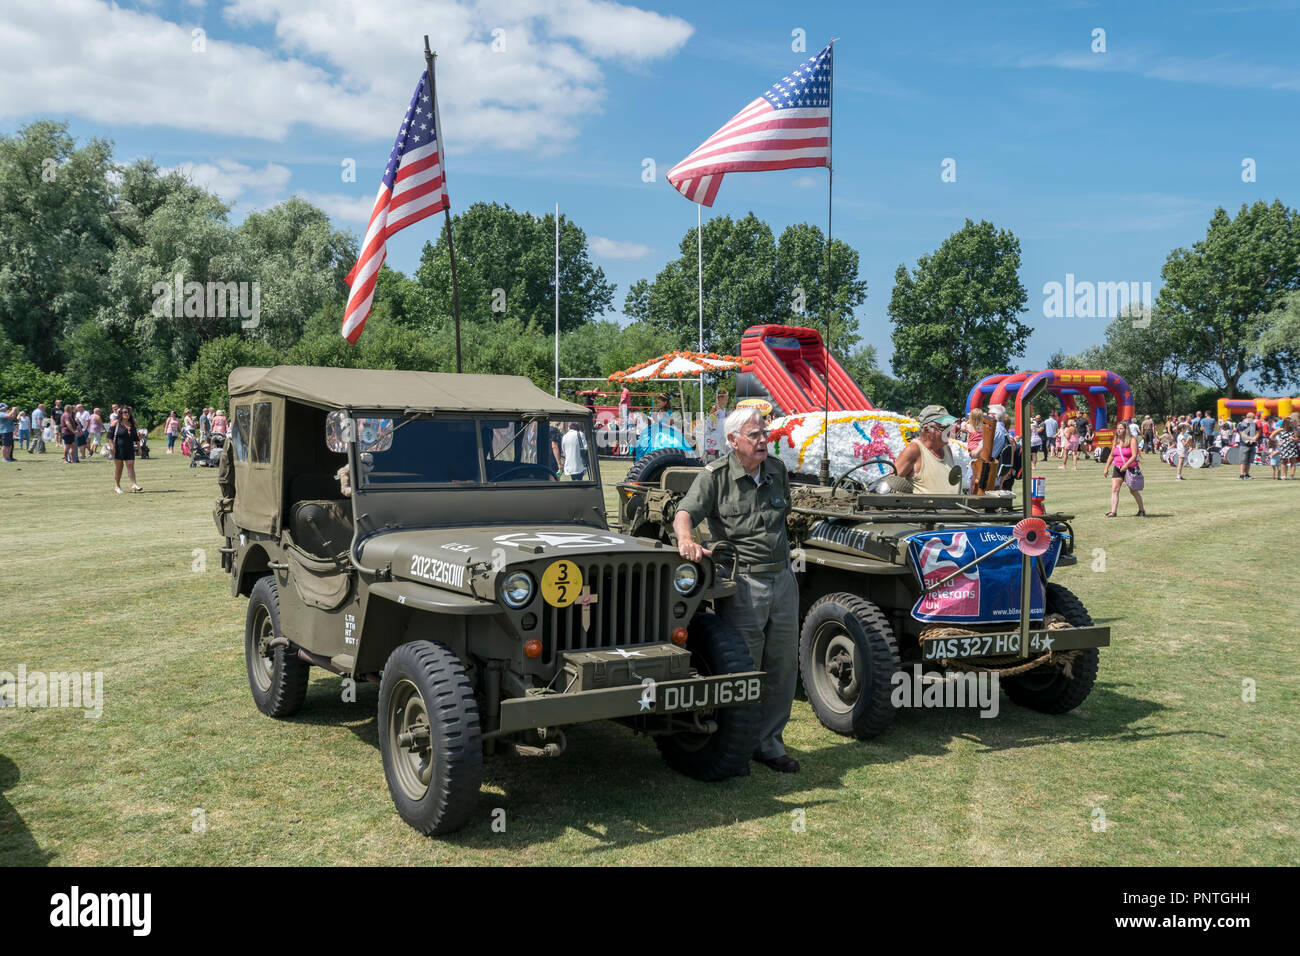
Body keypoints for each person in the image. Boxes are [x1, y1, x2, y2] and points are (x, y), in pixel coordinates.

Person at [673, 406, 799, 774]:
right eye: (754, 435)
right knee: (744, 668)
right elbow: (685, 513)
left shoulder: (776, 471)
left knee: (782, 665)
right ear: (733, 441)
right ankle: (737, 743)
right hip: (744, 584)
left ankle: (769, 743)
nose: (763, 440)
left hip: (783, 579)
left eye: (764, 433)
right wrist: (686, 539)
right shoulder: (715, 476)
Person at [895, 405, 961, 494]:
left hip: (954, 507)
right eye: (944, 428)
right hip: (926, 507)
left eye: (950, 426)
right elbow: (890, 484)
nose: (949, 431)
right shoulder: (914, 450)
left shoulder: (947, 449)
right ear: (927, 429)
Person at [1106, 420, 1145, 517]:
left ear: (1126, 429)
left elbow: (1134, 455)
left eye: (1121, 428)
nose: (1118, 430)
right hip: (1117, 468)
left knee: (1133, 490)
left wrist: (1126, 465)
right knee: (1115, 489)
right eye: (1117, 428)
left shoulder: (1132, 440)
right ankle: (1113, 512)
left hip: (1130, 468)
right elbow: (1111, 455)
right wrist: (1106, 467)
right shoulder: (1116, 440)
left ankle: (1141, 510)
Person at [110, 406, 142, 493]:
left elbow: (136, 438)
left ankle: (134, 484)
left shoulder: (132, 425)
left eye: (128, 412)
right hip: (118, 449)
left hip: (129, 448)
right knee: (119, 468)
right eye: (124, 412)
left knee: (130, 466)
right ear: (120, 414)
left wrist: (139, 448)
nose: (126, 414)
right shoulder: (115, 423)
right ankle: (117, 486)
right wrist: (112, 447)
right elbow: (109, 437)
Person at [1237, 412, 1260, 480]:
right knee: (1243, 461)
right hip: (1244, 444)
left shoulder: (1254, 424)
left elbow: (1258, 432)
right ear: (1249, 417)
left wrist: (1255, 438)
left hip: (1252, 445)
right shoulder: (1242, 424)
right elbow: (1242, 434)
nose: (1254, 419)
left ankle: (1247, 474)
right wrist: (1250, 439)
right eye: (1253, 418)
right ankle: (1242, 475)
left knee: (1249, 461)